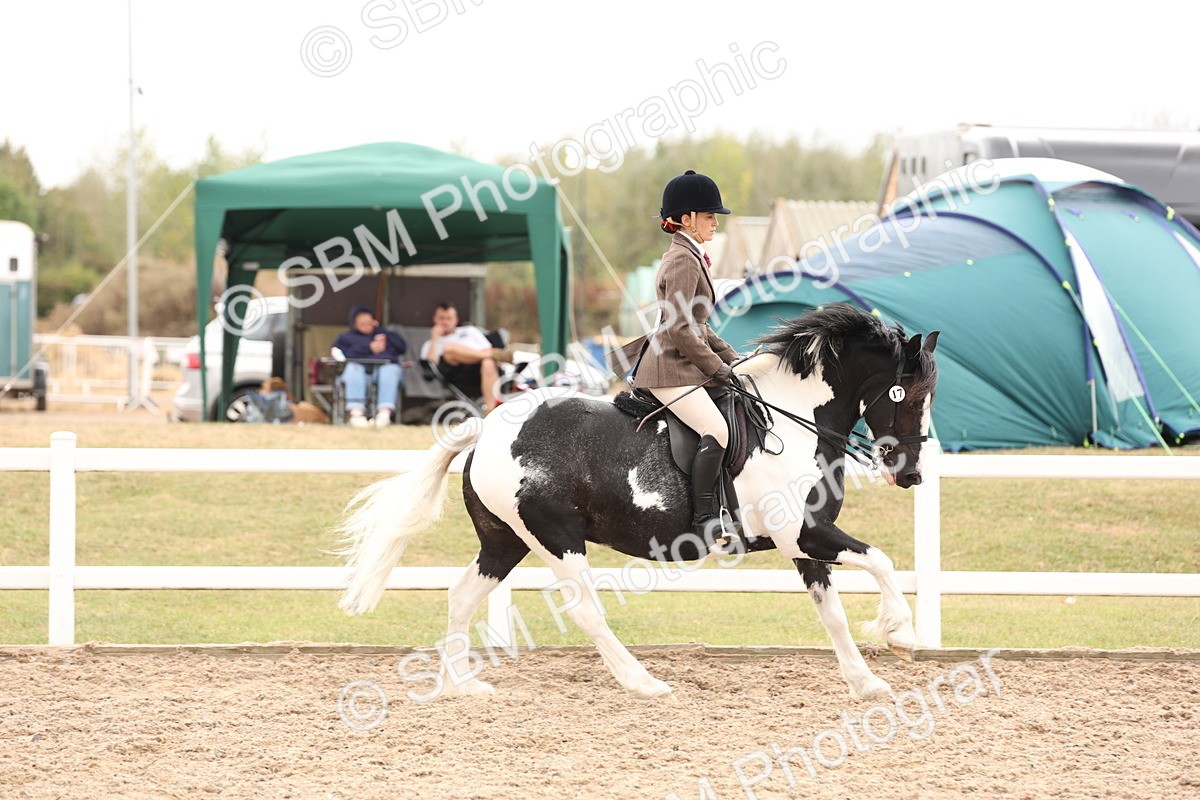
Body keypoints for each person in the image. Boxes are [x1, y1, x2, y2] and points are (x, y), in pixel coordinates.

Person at [626, 169, 740, 540]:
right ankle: (704, 517)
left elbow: (700, 325)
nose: (714, 224)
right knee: (717, 429)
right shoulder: (682, 260)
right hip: (668, 369)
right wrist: (718, 369)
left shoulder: (692, 256)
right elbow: (679, 329)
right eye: (709, 216)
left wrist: (736, 360)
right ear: (687, 219)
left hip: (680, 363)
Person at [420, 302, 511, 413]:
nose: (445, 322)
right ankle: (499, 354)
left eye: (449, 318)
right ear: (435, 319)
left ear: (456, 320)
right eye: (441, 318)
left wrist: (485, 356)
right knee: (449, 349)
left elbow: (487, 349)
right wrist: (435, 339)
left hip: (480, 371)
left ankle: (490, 411)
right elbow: (430, 366)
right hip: (456, 375)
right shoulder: (429, 344)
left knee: (488, 361)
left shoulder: (470, 331)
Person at [331, 306, 408, 428]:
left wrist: (382, 331)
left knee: (390, 370)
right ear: (354, 324)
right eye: (362, 324)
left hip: (384, 370)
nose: (367, 326)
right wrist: (368, 348)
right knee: (353, 368)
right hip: (360, 372)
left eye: (369, 323)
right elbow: (342, 355)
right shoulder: (346, 338)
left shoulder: (385, 335)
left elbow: (402, 348)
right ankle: (356, 414)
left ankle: (384, 414)